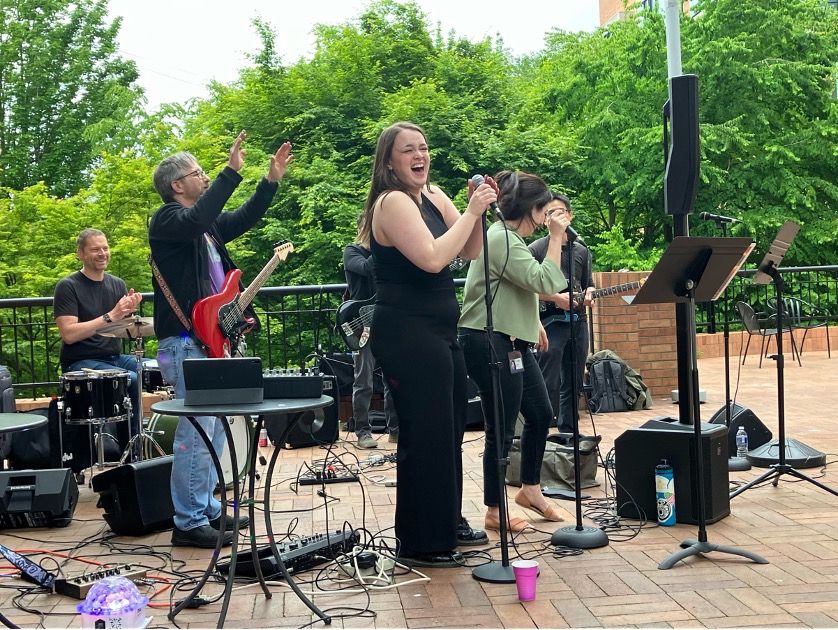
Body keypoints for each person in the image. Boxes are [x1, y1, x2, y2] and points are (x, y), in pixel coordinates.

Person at [149, 130, 293, 548]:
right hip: (185, 341)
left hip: (208, 340)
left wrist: (269, 182)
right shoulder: (167, 221)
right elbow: (198, 216)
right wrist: (231, 172)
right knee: (196, 432)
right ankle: (189, 521)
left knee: (212, 431)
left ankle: (207, 507)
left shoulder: (206, 231)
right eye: (198, 173)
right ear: (177, 186)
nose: (205, 178)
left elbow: (241, 218)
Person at [362, 121, 495, 567]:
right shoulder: (393, 202)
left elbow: (471, 250)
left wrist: (475, 211)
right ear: (390, 161)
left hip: (440, 330)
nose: (420, 156)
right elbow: (434, 257)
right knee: (426, 433)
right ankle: (422, 540)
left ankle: (447, 519)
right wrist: (473, 212)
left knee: (451, 425)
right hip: (407, 331)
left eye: (423, 148)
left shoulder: (434, 196)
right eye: (408, 151)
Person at [458, 171, 570, 533]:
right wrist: (556, 240)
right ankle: (494, 509)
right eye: (545, 210)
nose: (548, 218)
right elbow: (546, 281)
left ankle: (530, 489)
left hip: (512, 340)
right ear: (533, 210)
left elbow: (513, 287)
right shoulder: (501, 238)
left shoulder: (509, 241)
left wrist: (531, 320)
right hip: (488, 340)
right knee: (501, 429)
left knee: (540, 413)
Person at [53, 229, 144, 454]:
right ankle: (131, 453)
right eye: (95, 249)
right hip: (81, 361)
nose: (102, 253)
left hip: (113, 358)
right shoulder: (68, 286)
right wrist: (111, 315)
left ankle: (162, 442)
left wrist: (128, 315)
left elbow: (121, 328)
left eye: (105, 248)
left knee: (155, 369)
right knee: (130, 379)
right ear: (80, 254)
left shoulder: (117, 284)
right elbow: (69, 334)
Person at [529, 193, 595, 435]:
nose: (556, 217)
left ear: (570, 215)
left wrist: (589, 293)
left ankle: (569, 433)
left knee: (574, 382)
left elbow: (588, 283)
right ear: (544, 220)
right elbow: (527, 289)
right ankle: (542, 433)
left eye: (560, 212)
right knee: (548, 381)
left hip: (578, 322)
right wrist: (555, 297)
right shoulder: (536, 249)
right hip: (550, 324)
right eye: (550, 213)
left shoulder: (582, 250)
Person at [343, 213, 399, 449]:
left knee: (394, 378)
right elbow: (367, 268)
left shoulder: (388, 255)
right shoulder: (352, 251)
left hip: (386, 319)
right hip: (361, 324)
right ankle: (363, 431)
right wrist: (382, 243)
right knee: (363, 379)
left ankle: (395, 429)